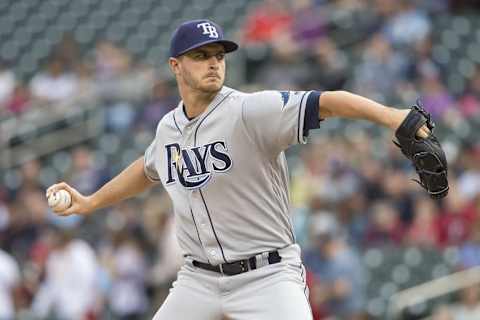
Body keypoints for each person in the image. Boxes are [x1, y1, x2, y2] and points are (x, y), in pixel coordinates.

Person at [47, 19, 430, 320]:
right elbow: (148, 167)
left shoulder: (249, 110)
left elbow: (328, 101)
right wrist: (91, 202)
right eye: (201, 55)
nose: (214, 62)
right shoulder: (168, 129)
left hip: (268, 274)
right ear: (175, 66)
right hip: (198, 278)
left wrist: (392, 116)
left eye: (219, 54)